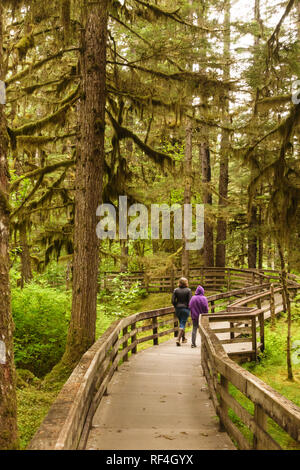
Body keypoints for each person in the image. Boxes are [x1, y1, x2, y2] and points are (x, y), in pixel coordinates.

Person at [172, 277, 192, 346]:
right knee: (182, 324)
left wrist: (176, 306)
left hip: (178, 309)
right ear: (186, 283)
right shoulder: (188, 290)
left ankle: (183, 338)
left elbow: (173, 301)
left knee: (181, 323)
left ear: (179, 283)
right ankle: (178, 339)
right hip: (185, 309)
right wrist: (188, 308)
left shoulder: (175, 290)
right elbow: (190, 301)